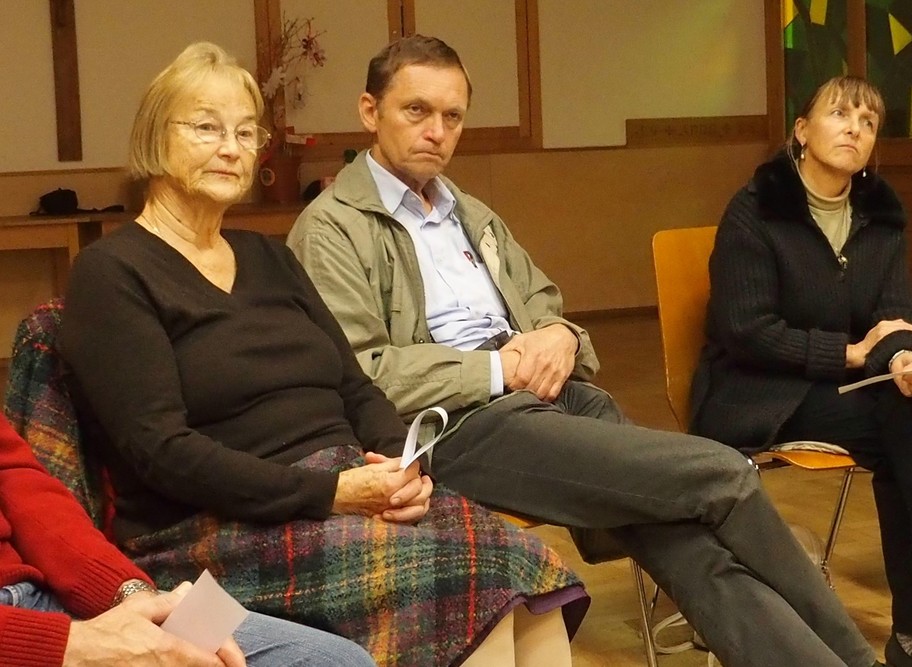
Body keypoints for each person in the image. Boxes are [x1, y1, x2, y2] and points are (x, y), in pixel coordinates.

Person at [287, 34, 883, 667]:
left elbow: (546, 302)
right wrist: (500, 368)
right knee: (724, 475)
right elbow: (362, 372)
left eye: (453, 116)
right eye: (417, 111)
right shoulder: (331, 228)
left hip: (553, 400)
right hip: (457, 425)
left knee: (687, 542)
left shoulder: (468, 211)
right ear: (370, 111)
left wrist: (561, 337)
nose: (437, 131)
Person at [57, 42, 589, 667]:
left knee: (526, 567)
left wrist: (404, 466)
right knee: (469, 578)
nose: (230, 148)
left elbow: (355, 386)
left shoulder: (268, 255)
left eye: (245, 132)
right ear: (154, 137)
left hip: (340, 490)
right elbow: (162, 452)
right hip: (211, 528)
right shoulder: (112, 272)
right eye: (206, 128)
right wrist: (330, 492)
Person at [691, 75, 912, 667]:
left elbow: (896, 312)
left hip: (839, 385)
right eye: (839, 115)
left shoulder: (880, 214)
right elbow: (746, 330)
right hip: (756, 392)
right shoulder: (754, 211)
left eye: (868, 122)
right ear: (801, 131)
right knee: (903, 424)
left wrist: (904, 355)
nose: (854, 129)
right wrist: (855, 354)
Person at [0, 414, 375, 667]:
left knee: (339, 661)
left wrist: (126, 591)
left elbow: (16, 479)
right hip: (29, 637)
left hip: (34, 592)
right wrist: (66, 647)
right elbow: (162, 448)